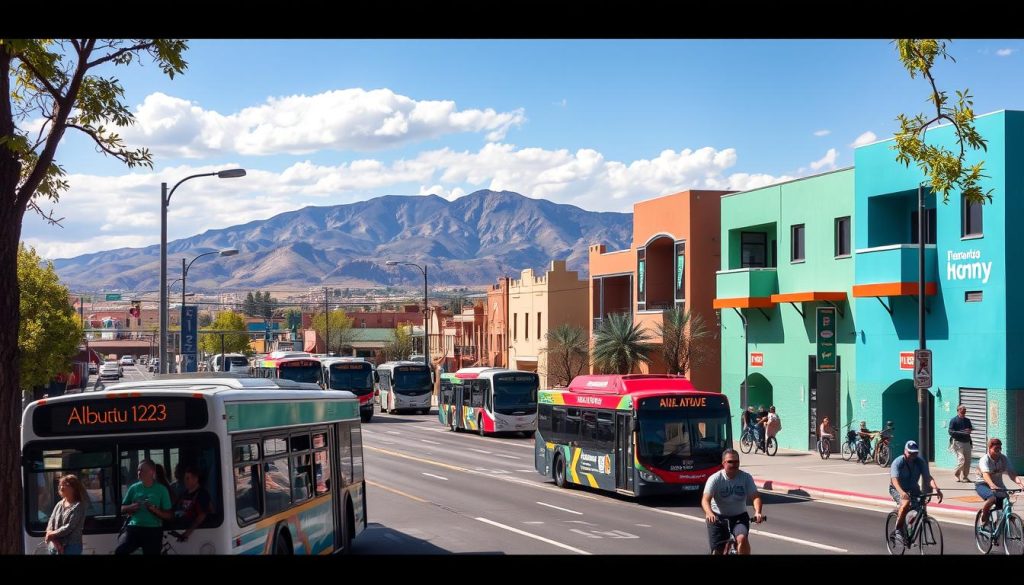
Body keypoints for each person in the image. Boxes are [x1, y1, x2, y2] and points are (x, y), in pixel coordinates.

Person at [701, 448, 765, 555]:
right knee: (717, 551)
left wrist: (758, 512)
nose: (734, 464)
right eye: (730, 462)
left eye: (737, 462)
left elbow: (755, 497)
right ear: (723, 463)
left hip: (739, 517)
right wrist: (709, 513)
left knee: (742, 539)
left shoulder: (746, 478)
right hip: (717, 518)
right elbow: (705, 500)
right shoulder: (715, 479)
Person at [115, 459, 173, 555]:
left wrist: (155, 510)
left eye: (141, 470)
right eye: (138, 470)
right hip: (134, 528)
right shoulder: (133, 488)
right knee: (120, 551)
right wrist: (130, 507)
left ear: (151, 472)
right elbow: (121, 509)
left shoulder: (162, 490)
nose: (138, 472)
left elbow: (169, 515)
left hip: (153, 530)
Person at [889, 440, 942, 544]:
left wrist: (937, 489)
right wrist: (902, 492)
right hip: (897, 488)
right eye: (910, 453)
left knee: (922, 505)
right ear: (905, 451)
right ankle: (898, 530)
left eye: (915, 453)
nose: (913, 455)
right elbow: (894, 480)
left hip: (913, 488)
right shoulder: (898, 462)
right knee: (905, 504)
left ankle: (912, 527)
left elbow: (928, 478)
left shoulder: (920, 462)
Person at [974, 437, 1024, 525]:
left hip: (998, 485)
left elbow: (1011, 473)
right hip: (983, 484)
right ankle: (984, 516)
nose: (998, 450)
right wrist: (991, 485)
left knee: (1006, 501)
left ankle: (1001, 522)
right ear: (989, 448)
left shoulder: (1003, 458)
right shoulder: (984, 459)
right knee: (992, 498)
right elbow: (986, 474)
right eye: (995, 448)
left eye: (999, 448)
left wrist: (1020, 482)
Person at [45, 475, 88, 555]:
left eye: (65, 485)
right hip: (56, 544)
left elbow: (69, 527)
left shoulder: (78, 506)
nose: (61, 488)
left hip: (72, 546)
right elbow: (52, 519)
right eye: (60, 485)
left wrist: (53, 534)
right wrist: (49, 532)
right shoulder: (59, 504)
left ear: (74, 488)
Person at [172, 465, 214, 542]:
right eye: (185, 478)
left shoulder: (202, 494)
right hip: (180, 528)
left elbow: (201, 516)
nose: (185, 481)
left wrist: (187, 533)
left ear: (196, 479)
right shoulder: (184, 494)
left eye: (188, 478)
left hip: (197, 534)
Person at [948, 404, 974, 483]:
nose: (964, 413)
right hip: (958, 443)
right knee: (961, 459)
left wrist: (969, 430)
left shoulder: (967, 420)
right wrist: (962, 432)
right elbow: (950, 431)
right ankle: (957, 475)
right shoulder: (954, 420)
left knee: (967, 460)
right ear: (958, 411)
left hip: (967, 442)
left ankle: (965, 477)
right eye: (962, 411)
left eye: (965, 411)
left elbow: (970, 429)